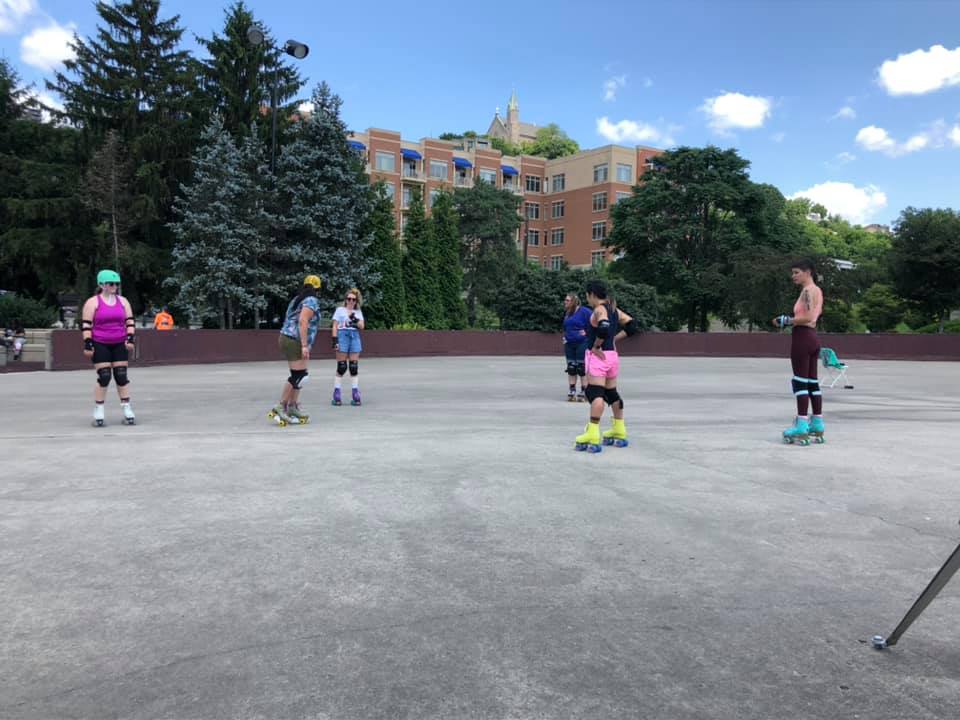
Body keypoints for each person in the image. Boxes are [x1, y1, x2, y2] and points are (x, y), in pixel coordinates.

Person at [574, 280, 640, 452]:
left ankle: (593, 433)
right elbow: (632, 326)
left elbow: (603, 326)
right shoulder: (613, 309)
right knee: (611, 393)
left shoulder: (600, 309)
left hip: (598, 357)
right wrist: (614, 339)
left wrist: (596, 345)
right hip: (612, 356)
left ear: (592, 294)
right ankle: (619, 430)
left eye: (588, 295)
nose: (587, 299)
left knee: (595, 393)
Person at [773, 259, 825, 445]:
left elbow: (808, 317)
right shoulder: (818, 290)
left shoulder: (807, 291)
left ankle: (802, 424)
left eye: (796, 272)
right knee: (812, 383)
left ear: (808, 272)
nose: (793, 276)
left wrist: (786, 320)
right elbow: (814, 317)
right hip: (813, 337)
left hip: (802, 338)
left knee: (800, 382)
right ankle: (817, 423)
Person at [80, 269, 137, 426]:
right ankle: (99, 409)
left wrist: (130, 338)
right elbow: (86, 325)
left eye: (116, 283)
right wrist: (88, 343)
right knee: (104, 376)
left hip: (119, 342)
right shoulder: (93, 302)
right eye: (111, 283)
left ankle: (127, 408)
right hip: (100, 342)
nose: (114, 286)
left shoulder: (123, 301)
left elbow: (130, 321)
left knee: (121, 375)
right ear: (102, 285)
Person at [269, 275, 323, 426]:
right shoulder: (311, 301)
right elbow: (303, 321)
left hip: (289, 338)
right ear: (318, 290)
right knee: (298, 375)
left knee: (301, 376)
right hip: (294, 340)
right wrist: (304, 345)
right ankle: (280, 406)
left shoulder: (297, 299)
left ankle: (292, 406)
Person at [331, 288, 365, 406]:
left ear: (356, 301)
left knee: (353, 366)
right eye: (349, 299)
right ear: (345, 300)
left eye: (353, 299)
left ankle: (355, 393)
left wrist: (353, 317)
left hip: (354, 336)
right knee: (341, 366)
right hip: (342, 335)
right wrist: (335, 340)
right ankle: (337, 393)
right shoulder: (340, 310)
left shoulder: (358, 311)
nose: (351, 301)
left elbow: (362, 326)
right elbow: (335, 326)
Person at [562, 293, 593, 401]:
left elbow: (595, 322)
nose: (565, 302)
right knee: (571, 367)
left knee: (581, 368)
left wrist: (588, 332)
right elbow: (566, 327)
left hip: (582, 343)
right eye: (565, 300)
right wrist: (565, 337)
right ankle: (572, 390)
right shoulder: (568, 313)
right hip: (569, 344)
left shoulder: (585, 311)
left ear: (573, 302)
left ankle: (584, 391)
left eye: (567, 300)